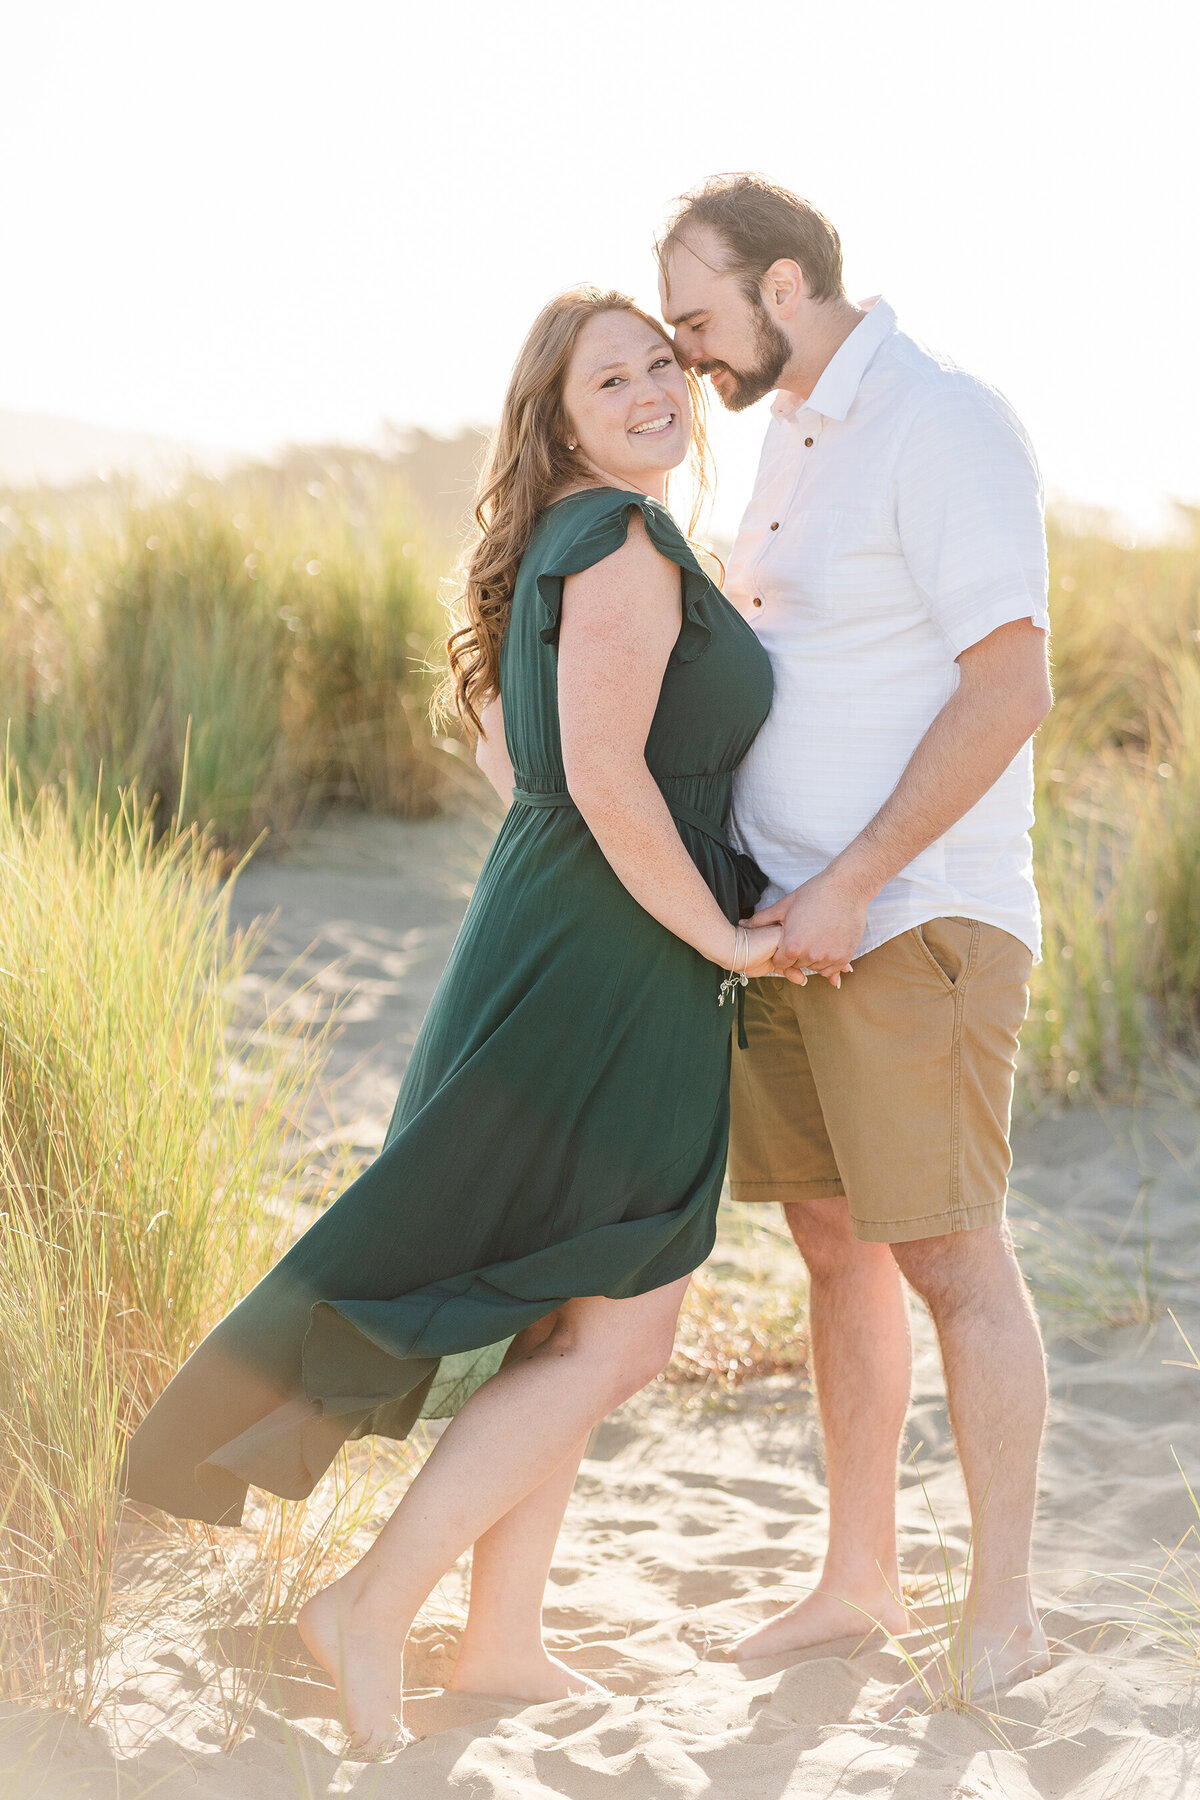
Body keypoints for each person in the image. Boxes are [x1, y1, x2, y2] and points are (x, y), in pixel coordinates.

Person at [120, 286, 788, 1758]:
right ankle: (371, 1607)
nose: (651, 391)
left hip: (563, 936)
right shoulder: (618, 538)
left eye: (662, 365)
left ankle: (499, 1642)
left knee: (575, 1302)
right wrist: (722, 934)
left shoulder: (560, 545)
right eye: (609, 378)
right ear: (557, 422)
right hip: (617, 961)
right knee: (623, 1332)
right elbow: (607, 781)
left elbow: (522, 767)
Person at [657, 174, 1055, 1714]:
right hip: (791, 925)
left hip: (915, 919)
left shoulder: (942, 422)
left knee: (952, 1258)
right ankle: (859, 1580)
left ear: (780, 286)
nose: (689, 356)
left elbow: (1007, 689)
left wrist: (856, 882)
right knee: (833, 1245)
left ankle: (1004, 1613)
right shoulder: (788, 440)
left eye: (698, 320)